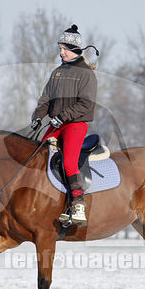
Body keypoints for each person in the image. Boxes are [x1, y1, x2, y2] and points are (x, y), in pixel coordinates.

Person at [30, 24, 98, 226]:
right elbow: (46, 98)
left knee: (69, 161)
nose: (61, 53)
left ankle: (77, 203)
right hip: (56, 123)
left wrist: (62, 117)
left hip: (75, 124)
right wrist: (37, 116)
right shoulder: (57, 73)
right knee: (37, 156)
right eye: (60, 49)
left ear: (74, 49)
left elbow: (86, 104)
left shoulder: (86, 74)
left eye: (64, 49)